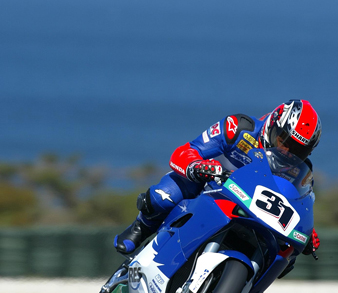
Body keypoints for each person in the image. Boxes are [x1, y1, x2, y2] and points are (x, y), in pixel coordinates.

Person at [115, 99, 322, 268]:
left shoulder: (300, 171)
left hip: (253, 211)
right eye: (283, 141)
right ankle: (142, 226)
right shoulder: (239, 127)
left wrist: (306, 230)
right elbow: (185, 152)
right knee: (163, 196)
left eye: (298, 150)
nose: (286, 151)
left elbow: (299, 203)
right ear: (272, 126)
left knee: (286, 256)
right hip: (209, 186)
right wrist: (198, 166)